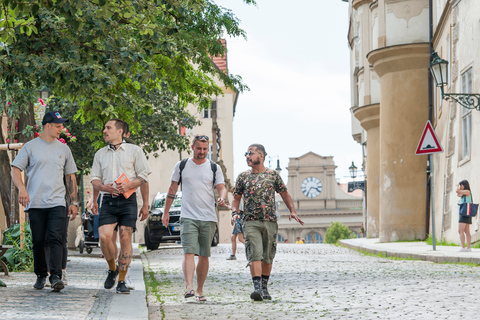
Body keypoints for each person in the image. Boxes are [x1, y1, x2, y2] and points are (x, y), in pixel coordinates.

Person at [11, 111, 78, 292]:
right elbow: (15, 169)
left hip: (57, 202)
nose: (61, 129)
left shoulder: (64, 149)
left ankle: (56, 276)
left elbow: (70, 176)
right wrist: (22, 189)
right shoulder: (30, 147)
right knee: (39, 240)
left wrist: (74, 202)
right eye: (58, 126)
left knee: (56, 238)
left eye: (61, 126)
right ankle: (41, 274)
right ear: (47, 126)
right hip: (36, 202)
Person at [232, 144, 304, 301]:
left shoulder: (273, 175)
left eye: (250, 153)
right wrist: (235, 213)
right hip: (250, 221)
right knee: (254, 253)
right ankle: (257, 289)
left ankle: (264, 288)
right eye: (246, 154)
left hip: (270, 220)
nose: (247, 156)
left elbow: (284, 194)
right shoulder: (243, 177)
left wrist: (292, 210)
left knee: (267, 255)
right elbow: (236, 198)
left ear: (261, 156)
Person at [162, 134, 227, 302]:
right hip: (188, 216)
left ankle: (199, 290)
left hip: (208, 217)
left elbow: (221, 187)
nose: (202, 152)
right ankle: (189, 287)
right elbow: (172, 188)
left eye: (205, 149)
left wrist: (222, 197)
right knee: (189, 251)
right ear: (192, 147)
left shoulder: (214, 167)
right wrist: (166, 212)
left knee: (204, 255)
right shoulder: (182, 165)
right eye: (199, 148)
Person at [91, 119, 151, 294]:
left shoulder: (135, 151)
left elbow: (143, 176)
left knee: (125, 237)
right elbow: (95, 178)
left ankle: (123, 281)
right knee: (104, 237)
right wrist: (102, 188)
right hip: (108, 200)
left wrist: (131, 186)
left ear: (120, 131)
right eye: (105, 128)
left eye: (108, 128)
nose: (104, 131)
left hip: (128, 200)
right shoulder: (100, 154)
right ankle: (112, 269)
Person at [226, 187, 245, 260]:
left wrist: (231, 208)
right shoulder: (241, 199)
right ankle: (233, 255)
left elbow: (239, 211)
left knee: (240, 238)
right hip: (239, 219)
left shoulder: (239, 199)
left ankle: (251, 250)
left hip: (239, 219)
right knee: (233, 238)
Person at [456, 180, 473, 252]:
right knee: (466, 231)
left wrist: (456, 186)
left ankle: (463, 247)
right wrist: (459, 189)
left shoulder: (467, 191)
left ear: (464, 185)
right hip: (467, 213)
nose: (460, 187)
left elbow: (457, 191)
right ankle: (468, 248)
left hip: (464, 213)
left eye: (461, 185)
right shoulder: (465, 193)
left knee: (460, 230)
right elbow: (458, 194)